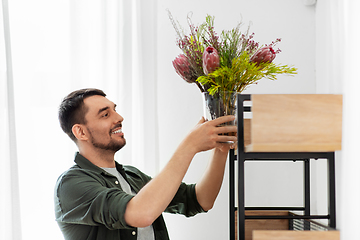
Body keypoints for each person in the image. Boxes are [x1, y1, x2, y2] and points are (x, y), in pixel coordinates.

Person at [54, 88, 237, 240]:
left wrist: (220, 150)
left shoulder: (132, 175)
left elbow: (200, 200)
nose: (119, 117)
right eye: (105, 114)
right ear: (81, 132)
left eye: (115, 110)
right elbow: (140, 213)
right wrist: (189, 146)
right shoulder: (70, 185)